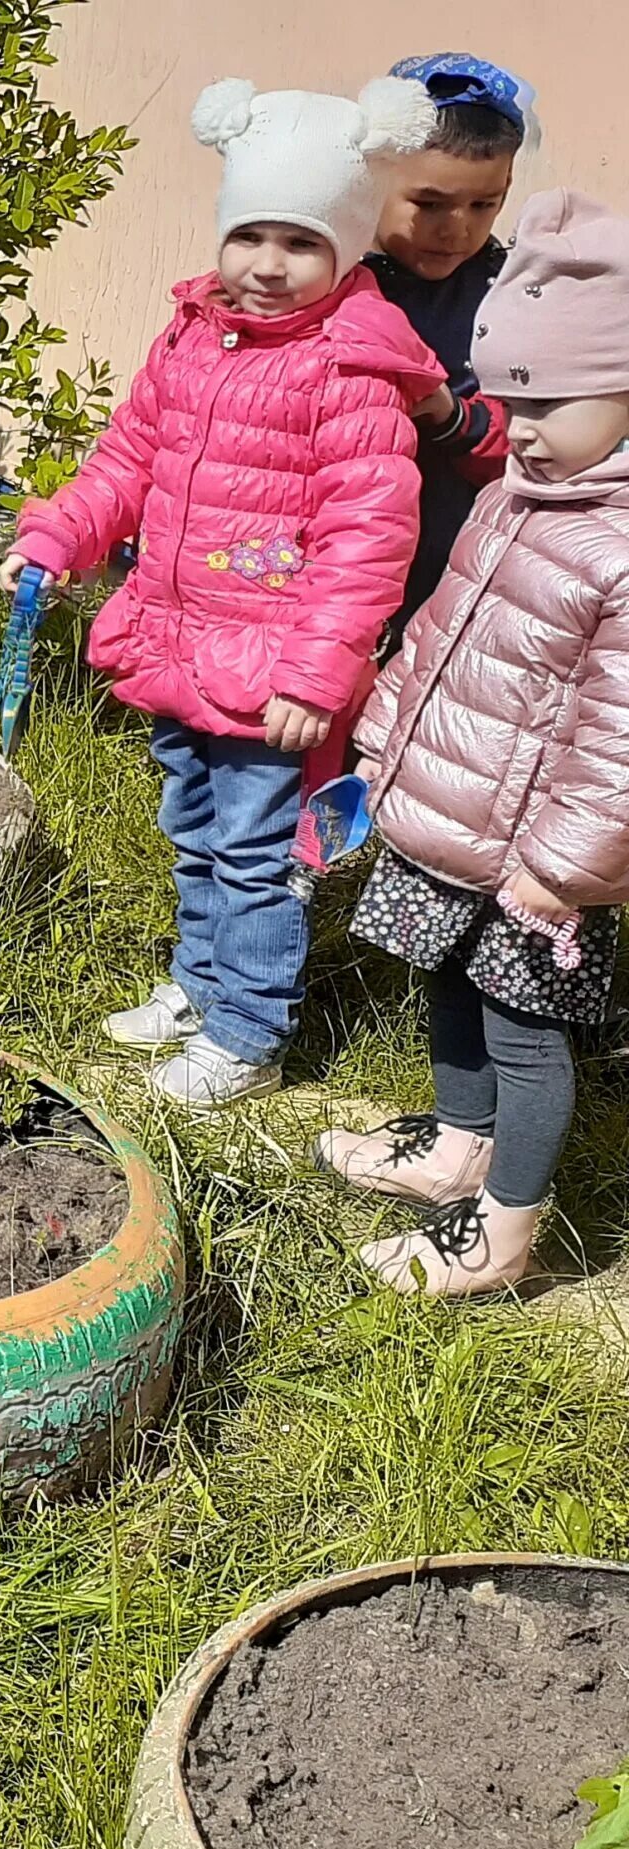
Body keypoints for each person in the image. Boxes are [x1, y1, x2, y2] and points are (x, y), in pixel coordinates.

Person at [2, 78, 443, 1108]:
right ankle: (199, 987)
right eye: (250, 235)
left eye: (299, 242)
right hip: (180, 645)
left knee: (255, 855)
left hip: (270, 671)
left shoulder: (346, 369)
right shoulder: (194, 335)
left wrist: (315, 672)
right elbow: (127, 459)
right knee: (193, 827)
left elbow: (368, 533)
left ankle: (247, 1031)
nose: (267, 264)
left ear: (343, 249)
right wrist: (60, 535)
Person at [316, 192, 629, 1298]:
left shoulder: (619, 545)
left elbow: (619, 744)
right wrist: (384, 742)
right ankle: (458, 1143)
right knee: (440, 981)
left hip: (533, 861)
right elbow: (437, 632)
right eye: (510, 398)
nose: (524, 425)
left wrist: (565, 866)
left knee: (525, 1035)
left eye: (550, 400)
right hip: (447, 816)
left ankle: (503, 1232)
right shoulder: (512, 495)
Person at [368, 52, 536, 648]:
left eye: (482, 205)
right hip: (334, 568)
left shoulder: (516, 291)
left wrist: (454, 421)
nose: (457, 228)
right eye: (429, 204)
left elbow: (541, 440)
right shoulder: (330, 282)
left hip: (461, 571)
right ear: (372, 176)